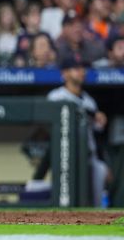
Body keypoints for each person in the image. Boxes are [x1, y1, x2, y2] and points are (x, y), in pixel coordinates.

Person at [47, 57, 109, 207]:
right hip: (65, 157)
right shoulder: (56, 96)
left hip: (89, 156)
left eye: (82, 68)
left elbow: (97, 132)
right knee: (65, 200)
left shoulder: (89, 100)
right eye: (76, 69)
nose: (81, 72)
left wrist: (100, 119)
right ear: (65, 74)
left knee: (95, 200)